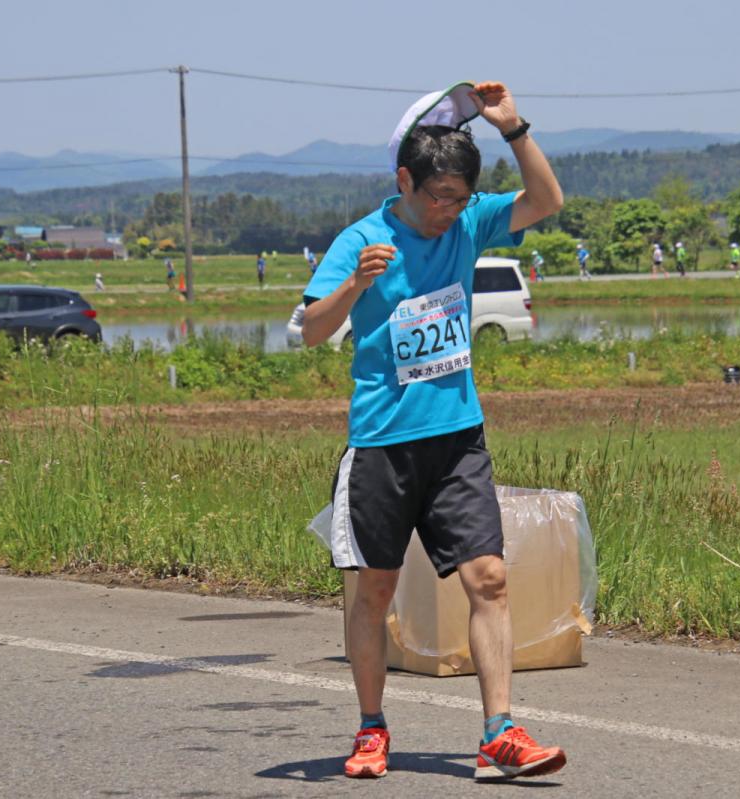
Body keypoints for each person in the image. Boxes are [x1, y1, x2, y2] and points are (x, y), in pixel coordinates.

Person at [301, 80, 567, 783]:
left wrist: (515, 130)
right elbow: (309, 330)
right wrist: (354, 286)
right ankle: (369, 728)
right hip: (382, 444)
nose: (447, 212)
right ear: (404, 181)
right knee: (375, 591)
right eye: (435, 197)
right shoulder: (361, 240)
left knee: (490, 578)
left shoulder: (472, 222)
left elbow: (546, 203)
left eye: (458, 198)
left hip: (457, 438)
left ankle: (499, 732)